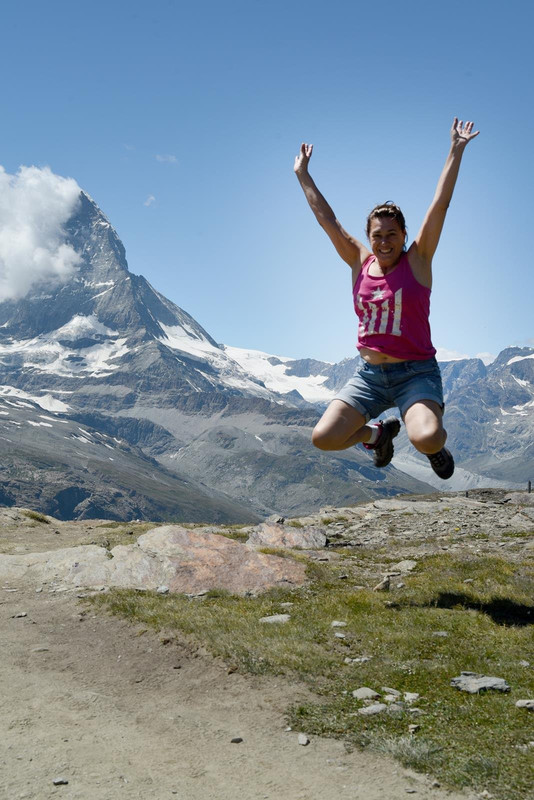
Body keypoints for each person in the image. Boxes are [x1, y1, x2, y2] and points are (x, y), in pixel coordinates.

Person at [294, 118, 480, 479]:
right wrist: (303, 174)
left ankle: (434, 448)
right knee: (324, 438)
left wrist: (455, 150)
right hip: (369, 375)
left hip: (415, 372)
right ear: (369, 236)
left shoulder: (419, 259)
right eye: (377, 235)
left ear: (404, 235)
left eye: (392, 234)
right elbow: (327, 219)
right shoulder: (358, 262)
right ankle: (378, 434)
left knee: (425, 437)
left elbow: (439, 206)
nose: (384, 242)